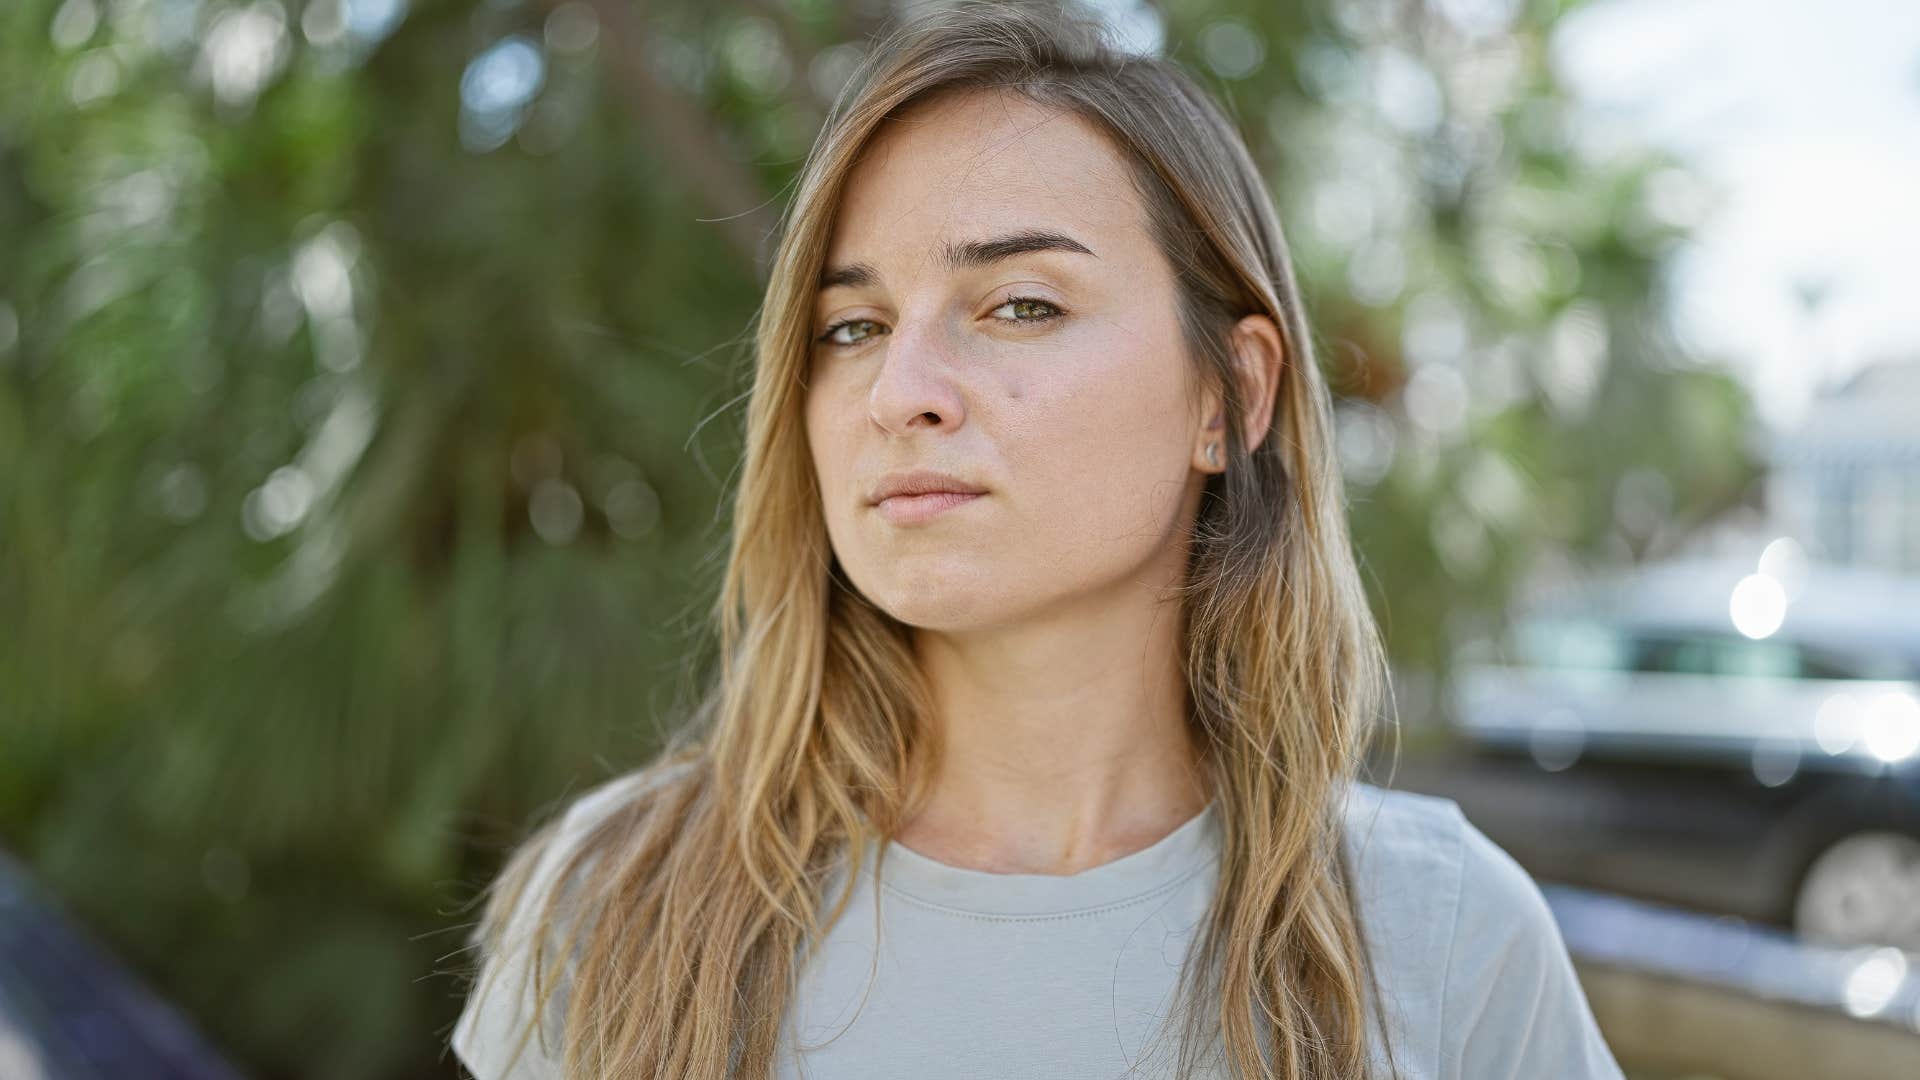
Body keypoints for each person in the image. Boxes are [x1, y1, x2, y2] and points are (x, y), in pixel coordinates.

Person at [449, 2, 1626, 1077]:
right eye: (852, 326)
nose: (899, 391)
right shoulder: (613, 906)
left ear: (1230, 398)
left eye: (1022, 305)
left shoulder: (1445, 938)